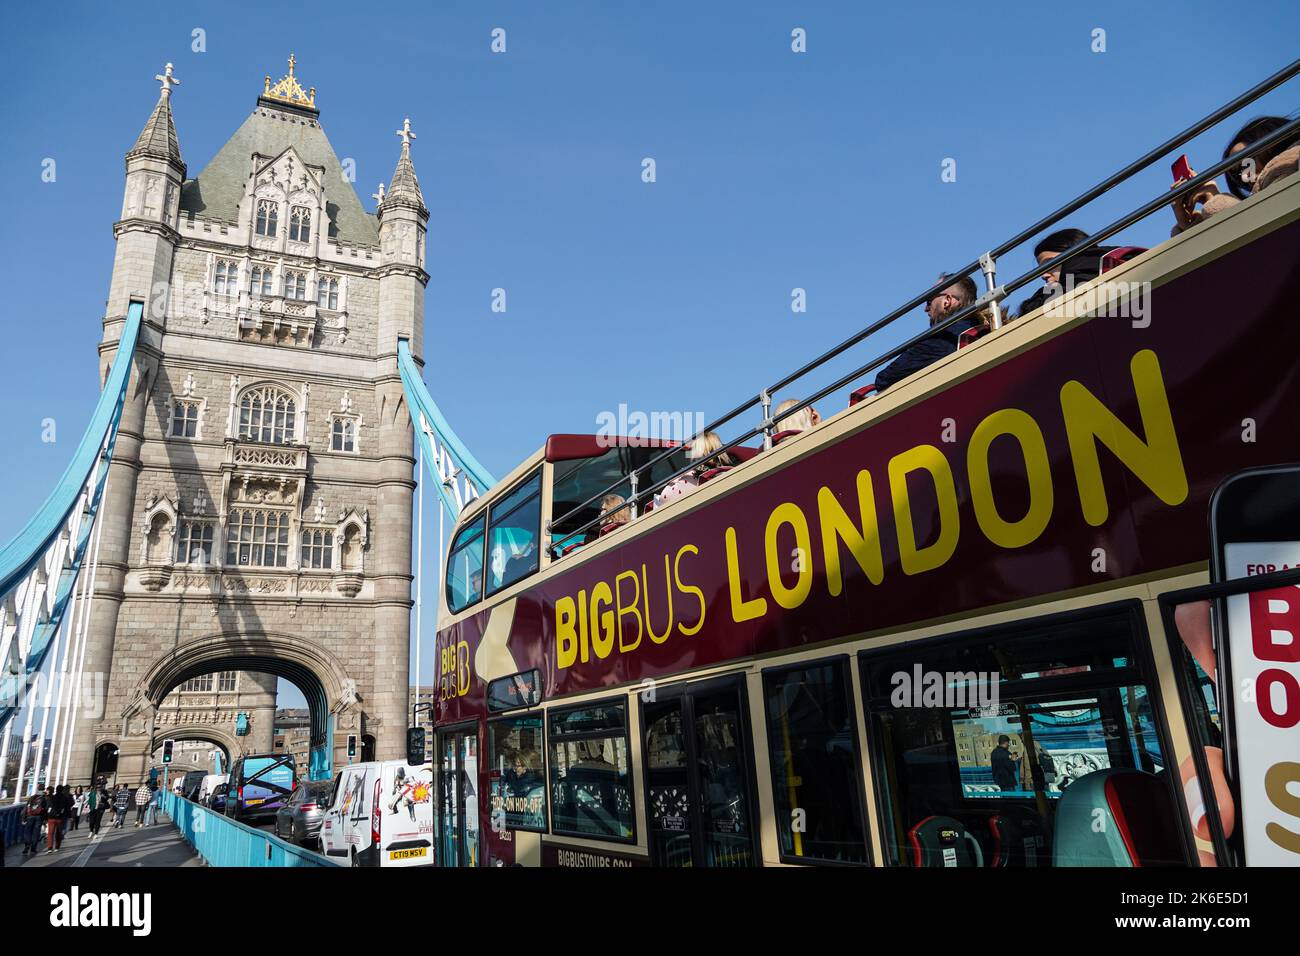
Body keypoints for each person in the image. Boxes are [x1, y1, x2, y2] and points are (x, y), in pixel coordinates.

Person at [1171, 116, 1300, 235]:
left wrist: (1217, 202)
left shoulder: (1292, 162)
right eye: (1237, 173)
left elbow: (1262, 232)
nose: (1244, 175)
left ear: (1272, 141)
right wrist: (1189, 224)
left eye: (1247, 162)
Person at [873, 274, 981, 392]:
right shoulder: (983, 328)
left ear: (947, 301)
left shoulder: (943, 338)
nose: (925, 309)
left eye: (929, 300)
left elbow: (884, 378)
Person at [21, 791, 47, 857]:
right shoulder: (43, 799)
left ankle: (27, 846)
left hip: (30, 816)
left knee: (28, 832)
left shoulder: (32, 798)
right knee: (36, 832)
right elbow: (45, 810)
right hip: (39, 817)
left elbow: (26, 808)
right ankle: (33, 848)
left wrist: (24, 818)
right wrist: (45, 819)